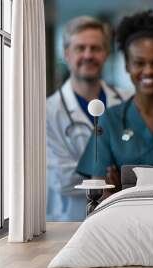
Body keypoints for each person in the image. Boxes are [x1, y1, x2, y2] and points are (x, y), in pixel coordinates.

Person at [77, 10, 153, 186]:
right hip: (123, 213)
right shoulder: (109, 121)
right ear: (127, 65)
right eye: (139, 63)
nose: (148, 71)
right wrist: (112, 191)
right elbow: (97, 189)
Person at [46, 16, 129, 221]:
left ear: (107, 53)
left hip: (121, 219)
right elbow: (62, 179)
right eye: (80, 48)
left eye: (95, 48)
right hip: (71, 222)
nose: (88, 55)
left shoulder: (127, 102)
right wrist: (114, 175)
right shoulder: (48, 111)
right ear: (66, 54)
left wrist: (94, 172)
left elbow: (139, 162)